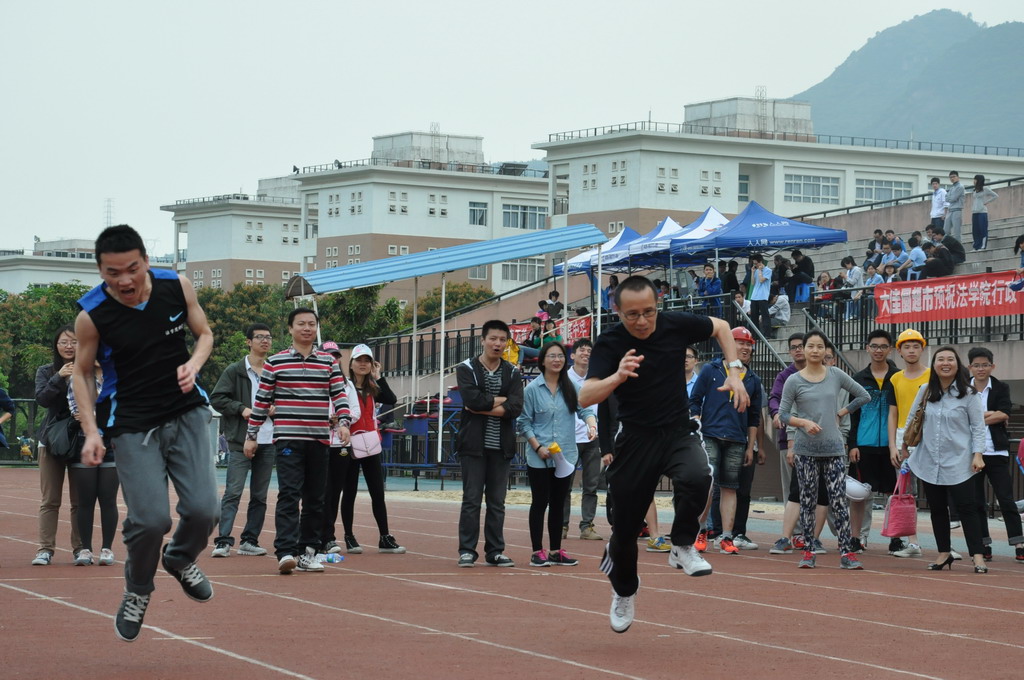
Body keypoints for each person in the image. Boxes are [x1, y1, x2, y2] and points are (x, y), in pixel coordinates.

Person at [72, 224, 219, 642]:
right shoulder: (92, 315)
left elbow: (204, 334)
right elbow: (82, 374)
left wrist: (194, 363)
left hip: (187, 411)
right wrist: (91, 431)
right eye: (112, 273)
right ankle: (138, 590)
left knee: (206, 511)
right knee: (152, 520)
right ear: (100, 270)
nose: (124, 281)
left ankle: (180, 557)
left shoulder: (177, 286)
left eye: (132, 269)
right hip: (134, 423)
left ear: (146, 262)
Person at [579, 275, 750, 634]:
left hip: (677, 430)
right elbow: (585, 397)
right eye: (632, 315)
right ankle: (624, 590)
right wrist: (617, 377)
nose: (642, 321)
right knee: (624, 532)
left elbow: (721, 326)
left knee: (699, 476)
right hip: (635, 440)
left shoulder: (675, 325)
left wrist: (734, 372)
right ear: (617, 311)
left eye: (649, 312)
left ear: (659, 304)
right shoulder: (610, 343)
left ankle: (683, 544)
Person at [246, 308, 352, 576]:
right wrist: (252, 436)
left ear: (317, 329)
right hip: (288, 439)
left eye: (312, 324)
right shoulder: (276, 362)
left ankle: (308, 552)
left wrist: (343, 423)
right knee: (289, 495)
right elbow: (261, 402)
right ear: (290, 329)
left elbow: (339, 395)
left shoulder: (328, 362)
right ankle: (285, 552)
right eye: (301, 324)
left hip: (319, 440)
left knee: (316, 499)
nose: (307, 328)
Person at [778, 330, 869, 570]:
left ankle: (846, 553)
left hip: (835, 450)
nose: (815, 351)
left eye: (820, 347)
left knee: (839, 501)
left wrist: (842, 412)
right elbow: (783, 414)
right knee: (807, 501)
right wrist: (803, 423)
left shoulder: (836, 375)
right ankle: (808, 550)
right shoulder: (794, 380)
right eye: (811, 346)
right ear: (804, 350)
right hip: (806, 450)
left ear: (826, 351)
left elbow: (864, 395)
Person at [899, 347, 988, 573]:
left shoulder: (969, 394)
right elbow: (912, 419)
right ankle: (943, 553)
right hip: (928, 460)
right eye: (940, 359)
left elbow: (978, 427)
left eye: (950, 359)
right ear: (934, 364)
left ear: (957, 365)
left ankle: (977, 556)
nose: (945, 363)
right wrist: (904, 447)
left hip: (960, 461)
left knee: (968, 509)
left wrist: (977, 454)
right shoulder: (926, 390)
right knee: (937, 509)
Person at [518, 342, 597, 567]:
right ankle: (537, 551)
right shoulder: (532, 389)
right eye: (551, 356)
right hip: (539, 457)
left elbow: (585, 409)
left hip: (565, 456)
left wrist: (591, 425)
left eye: (560, 356)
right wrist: (537, 447)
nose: (556, 360)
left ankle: (555, 550)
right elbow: (524, 422)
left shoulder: (571, 387)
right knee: (540, 502)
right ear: (542, 361)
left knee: (559, 502)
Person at [456, 320, 525, 568]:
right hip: (473, 446)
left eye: (502, 339)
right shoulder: (467, 368)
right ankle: (467, 550)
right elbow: (471, 400)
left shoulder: (513, 372)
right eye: (493, 338)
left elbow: (515, 407)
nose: (498, 344)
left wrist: (483, 407)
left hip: (502, 446)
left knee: (497, 502)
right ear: (483, 340)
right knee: (472, 499)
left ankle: (495, 551)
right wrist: (499, 402)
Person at [689, 326, 762, 555]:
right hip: (709, 435)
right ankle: (700, 531)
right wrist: (697, 425)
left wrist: (751, 447)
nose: (745, 347)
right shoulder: (710, 369)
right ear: (727, 344)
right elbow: (695, 400)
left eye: (748, 344)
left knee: (730, 488)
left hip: (737, 440)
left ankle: (726, 537)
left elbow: (754, 418)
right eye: (739, 342)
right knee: (708, 485)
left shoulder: (752, 379)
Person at [209, 323, 277, 558]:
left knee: (260, 495)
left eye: (268, 337)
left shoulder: (274, 369)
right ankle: (223, 540)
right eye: (259, 337)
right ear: (248, 341)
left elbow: (287, 397)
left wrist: (275, 409)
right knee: (233, 492)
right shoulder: (235, 370)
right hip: (240, 440)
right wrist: (241, 409)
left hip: (269, 440)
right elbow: (217, 398)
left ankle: (250, 540)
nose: (265, 341)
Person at [333, 343, 404, 554]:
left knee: (377, 491)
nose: (363, 365)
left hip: (371, 444)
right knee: (350, 491)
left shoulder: (373, 387)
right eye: (359, 360)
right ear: (351, 364)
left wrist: (379, 375)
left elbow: (391, 399)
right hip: (349, 442)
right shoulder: (344, 386)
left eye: (367, 361)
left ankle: (384, 537)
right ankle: (349, 536)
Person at [768, 334, 829, 555]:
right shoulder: (787, 377)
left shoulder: (830, 376)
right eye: (793, 347)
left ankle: (811, 536)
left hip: (825, 443)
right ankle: (792, 535)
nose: (798, 351)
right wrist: (777, 414)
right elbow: (777, 401)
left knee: (822, 493)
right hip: (792, 441)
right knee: (794, 490)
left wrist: (841, 415)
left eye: (801, 347)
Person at [31, 325, 84, 566]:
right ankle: (45, 549)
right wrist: (59, 376)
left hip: (81, 440)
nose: (68, 346)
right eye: (63, 342)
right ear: (56, 345)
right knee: (50, 499)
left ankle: (81, 549)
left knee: (79, 501)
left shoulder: (89, 370)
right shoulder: (46, 371)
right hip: (51, 441)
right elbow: (42, 399)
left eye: (73, 341)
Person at [965, 348, 1023, 562]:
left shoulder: (1000, 387)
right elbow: (961, 417)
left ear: (992, 366)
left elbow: (1005, 413)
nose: (981, 368)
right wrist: (990, 415)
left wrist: (976, 418)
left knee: (1006, 499)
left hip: (996, 451)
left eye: (985, 364)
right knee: (977, 501)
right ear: (970, 367)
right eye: (977, 365)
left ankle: (1018, 543)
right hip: (971, 453)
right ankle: (983, 544)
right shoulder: (962, 388)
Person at [846, 330, 899, 553]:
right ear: (867, 348)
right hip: (864, 445)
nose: (878, 350)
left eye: (883, 346)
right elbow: (852, 414)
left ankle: (897, 539)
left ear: (890, 349)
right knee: (859, 495)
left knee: (894, 496)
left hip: (891, 447)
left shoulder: (898, 377)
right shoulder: (857, 379)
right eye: (874, 346)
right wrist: (853, 444)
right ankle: (856, 538)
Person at [67, 361, 119, 567]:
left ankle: (107, 549)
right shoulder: (78, 377)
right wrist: (98, 422)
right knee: (85, 500)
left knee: (108, 499)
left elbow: (121, 410)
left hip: (113, 443)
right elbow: (76, 411)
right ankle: (85, 550)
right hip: (84, 440)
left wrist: (95, 415)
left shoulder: (116, 378)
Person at [886, 328, 929, 557]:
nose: (911, 350)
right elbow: (892, 413)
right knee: (906, 490)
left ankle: (945, 543)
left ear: (923, 348)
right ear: (899, 351)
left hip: (930, 436)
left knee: (937, 489)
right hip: (903, 438)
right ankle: (913, 543)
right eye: (907, 347)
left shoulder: (933, 375)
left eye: (915, 346)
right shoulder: (895, 378)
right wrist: (893, 444)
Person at [318, 341, 363, 554]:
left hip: (340, 444)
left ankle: (328, 536)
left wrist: (340, 420)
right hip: (318, 442)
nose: (333, 360)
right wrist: (324, 419)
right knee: (319, 491)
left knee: (335, 491)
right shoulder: (313, 381)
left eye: (335, 356)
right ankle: (313, 534)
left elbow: (355, 411)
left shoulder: (347, 385)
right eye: (329, 355)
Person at [563, 339, 605, 541]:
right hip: (568, 438)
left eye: (590, 351)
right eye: (582, 350)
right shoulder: (564, 378)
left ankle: (586, 525)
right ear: (572, 355)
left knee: (591, 485)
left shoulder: (596, 379)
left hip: (593, 438)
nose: (586, 353)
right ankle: (562, 525)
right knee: (564, 484)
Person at [970, 174, 998, 251]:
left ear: (979, 180)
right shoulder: (975, 190)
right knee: (975, 230)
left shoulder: (985, 189)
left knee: (982, 229)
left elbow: (995, 195)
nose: (974, 181)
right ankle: (976, 246)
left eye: (975, 179)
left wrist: (986, 202)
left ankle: (982, 246)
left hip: (982, 212)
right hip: (975, 212)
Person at [748, 254, 772, 337]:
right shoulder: (756, 270)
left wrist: (760, 271)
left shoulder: (768, 270)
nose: (755, 265)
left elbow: (762, 280)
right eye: (754, 263)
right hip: (754, 296)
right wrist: (752, 272)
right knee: (754, 316)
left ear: (760, 262)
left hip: (763, 296)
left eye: (756, 263)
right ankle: (755, 335)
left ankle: (767, 334)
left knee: (765, 315)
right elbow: (752, 283)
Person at [943, 171, 965, 243]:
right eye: (951, 177)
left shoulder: (960, 187)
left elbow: (953, 198)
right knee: (946, 231)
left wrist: (950, 197)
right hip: (950, 210)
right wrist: (950, 198)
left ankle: (959, 249)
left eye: (954, 177)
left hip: (957, 210)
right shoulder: (952, 188)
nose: (952, 178)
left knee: (956, 232)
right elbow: (946, 198)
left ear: (958, 177)